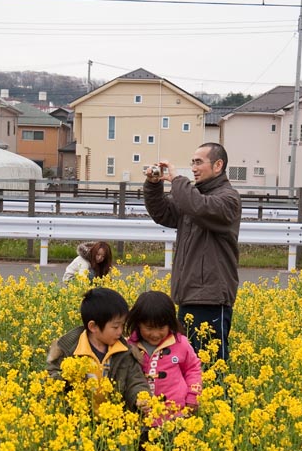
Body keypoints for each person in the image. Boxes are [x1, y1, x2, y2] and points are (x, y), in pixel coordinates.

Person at [143, 142, 241, 361]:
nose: (194, 168)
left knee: (211, 367)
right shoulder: (194, 198)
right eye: (192, 163)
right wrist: (153, 185)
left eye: (199, 162)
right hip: (188, 294)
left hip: (211, 299)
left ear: (218, 165)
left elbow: (198, 206)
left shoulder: (228, 199)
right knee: (188, 367)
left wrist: (178, 180)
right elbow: (164, 213)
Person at [46, 287, 149, 413]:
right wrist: (65, 377)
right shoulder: (68, 350)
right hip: (79, 423)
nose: (120, 331)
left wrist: (140, 397)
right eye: (115, 327)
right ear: (93, 326)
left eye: (122, 325)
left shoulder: (125, 352)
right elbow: (51, 379)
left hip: (115, 423)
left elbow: (135, 381)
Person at [126, 290, 201, 426]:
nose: (155, 334)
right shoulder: (129, 347)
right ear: (138, 324)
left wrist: (193, 395)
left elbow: (193, 369)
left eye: (161, 328)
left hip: (177, 415)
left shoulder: (180, 343)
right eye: (149, 328)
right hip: (143, 419)